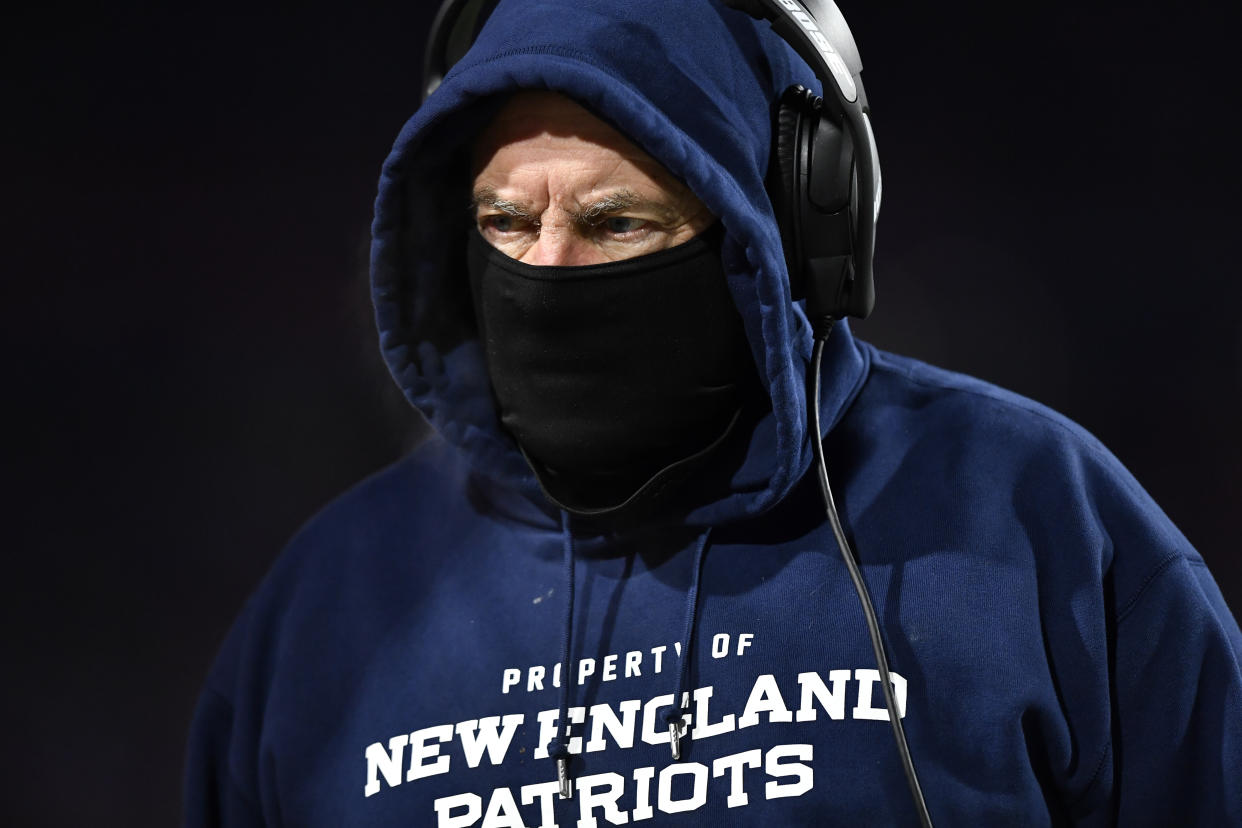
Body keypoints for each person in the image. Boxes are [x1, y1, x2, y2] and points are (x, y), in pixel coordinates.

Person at [184, 0, 1242, 825]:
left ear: (782, 224)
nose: (547, 269)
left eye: (616, 223)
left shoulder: (1042, 523)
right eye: (505, 222)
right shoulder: (324, 613)